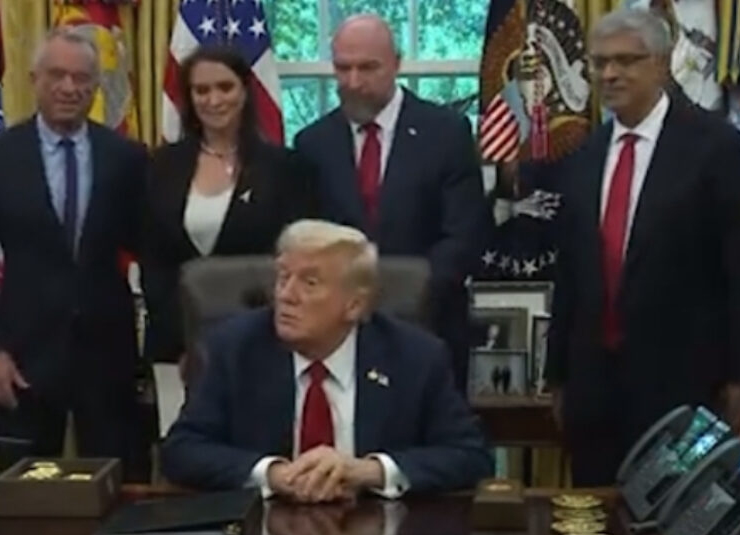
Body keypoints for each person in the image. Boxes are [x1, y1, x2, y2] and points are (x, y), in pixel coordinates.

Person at [542, 9, 740, 485]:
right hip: (592, 389)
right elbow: (570, 277)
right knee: (593, 531)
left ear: (661, 64)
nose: (610, 74)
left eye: (626, 61)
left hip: (683, 384)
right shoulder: (582, 156)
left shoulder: (714, 145)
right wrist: (558, 377)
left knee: (673, 533)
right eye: (599, 63)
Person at [161, 219, 493, 500]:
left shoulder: (416, 356)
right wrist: (272, 474)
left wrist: (368, 471)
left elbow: (469, 456)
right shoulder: (233, 348)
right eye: (282, 276)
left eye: (310, 282)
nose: (286, 295)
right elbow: (182, 451)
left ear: (354, 305)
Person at [0, 28, 152, 481]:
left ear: (96, 85)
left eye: (82, 78)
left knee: (117, 490)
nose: (70, 88)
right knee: (20, 497)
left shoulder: (126, 157)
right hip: (23, 359)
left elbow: (150, 248)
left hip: (108, 357)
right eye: (57, 75)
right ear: (33, 79)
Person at [294, 14, 491, 390]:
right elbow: (307, 239)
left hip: (430, 327)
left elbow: (465, 235)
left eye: (368, 68)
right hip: (338, 335)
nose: (353, 82)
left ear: (396, 64)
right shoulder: (312, 144)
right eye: (342, 68)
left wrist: (395, 293)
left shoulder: (446, 132)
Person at [142, 45, 315, 371]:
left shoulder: (285, 168)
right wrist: (186, 337)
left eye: (225, 87)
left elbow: (292, 259)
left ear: (245, 91)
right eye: (201, 90)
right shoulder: (163, 165)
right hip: (176, 348)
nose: (213, 100)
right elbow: (154, 259)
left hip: (262, 344)